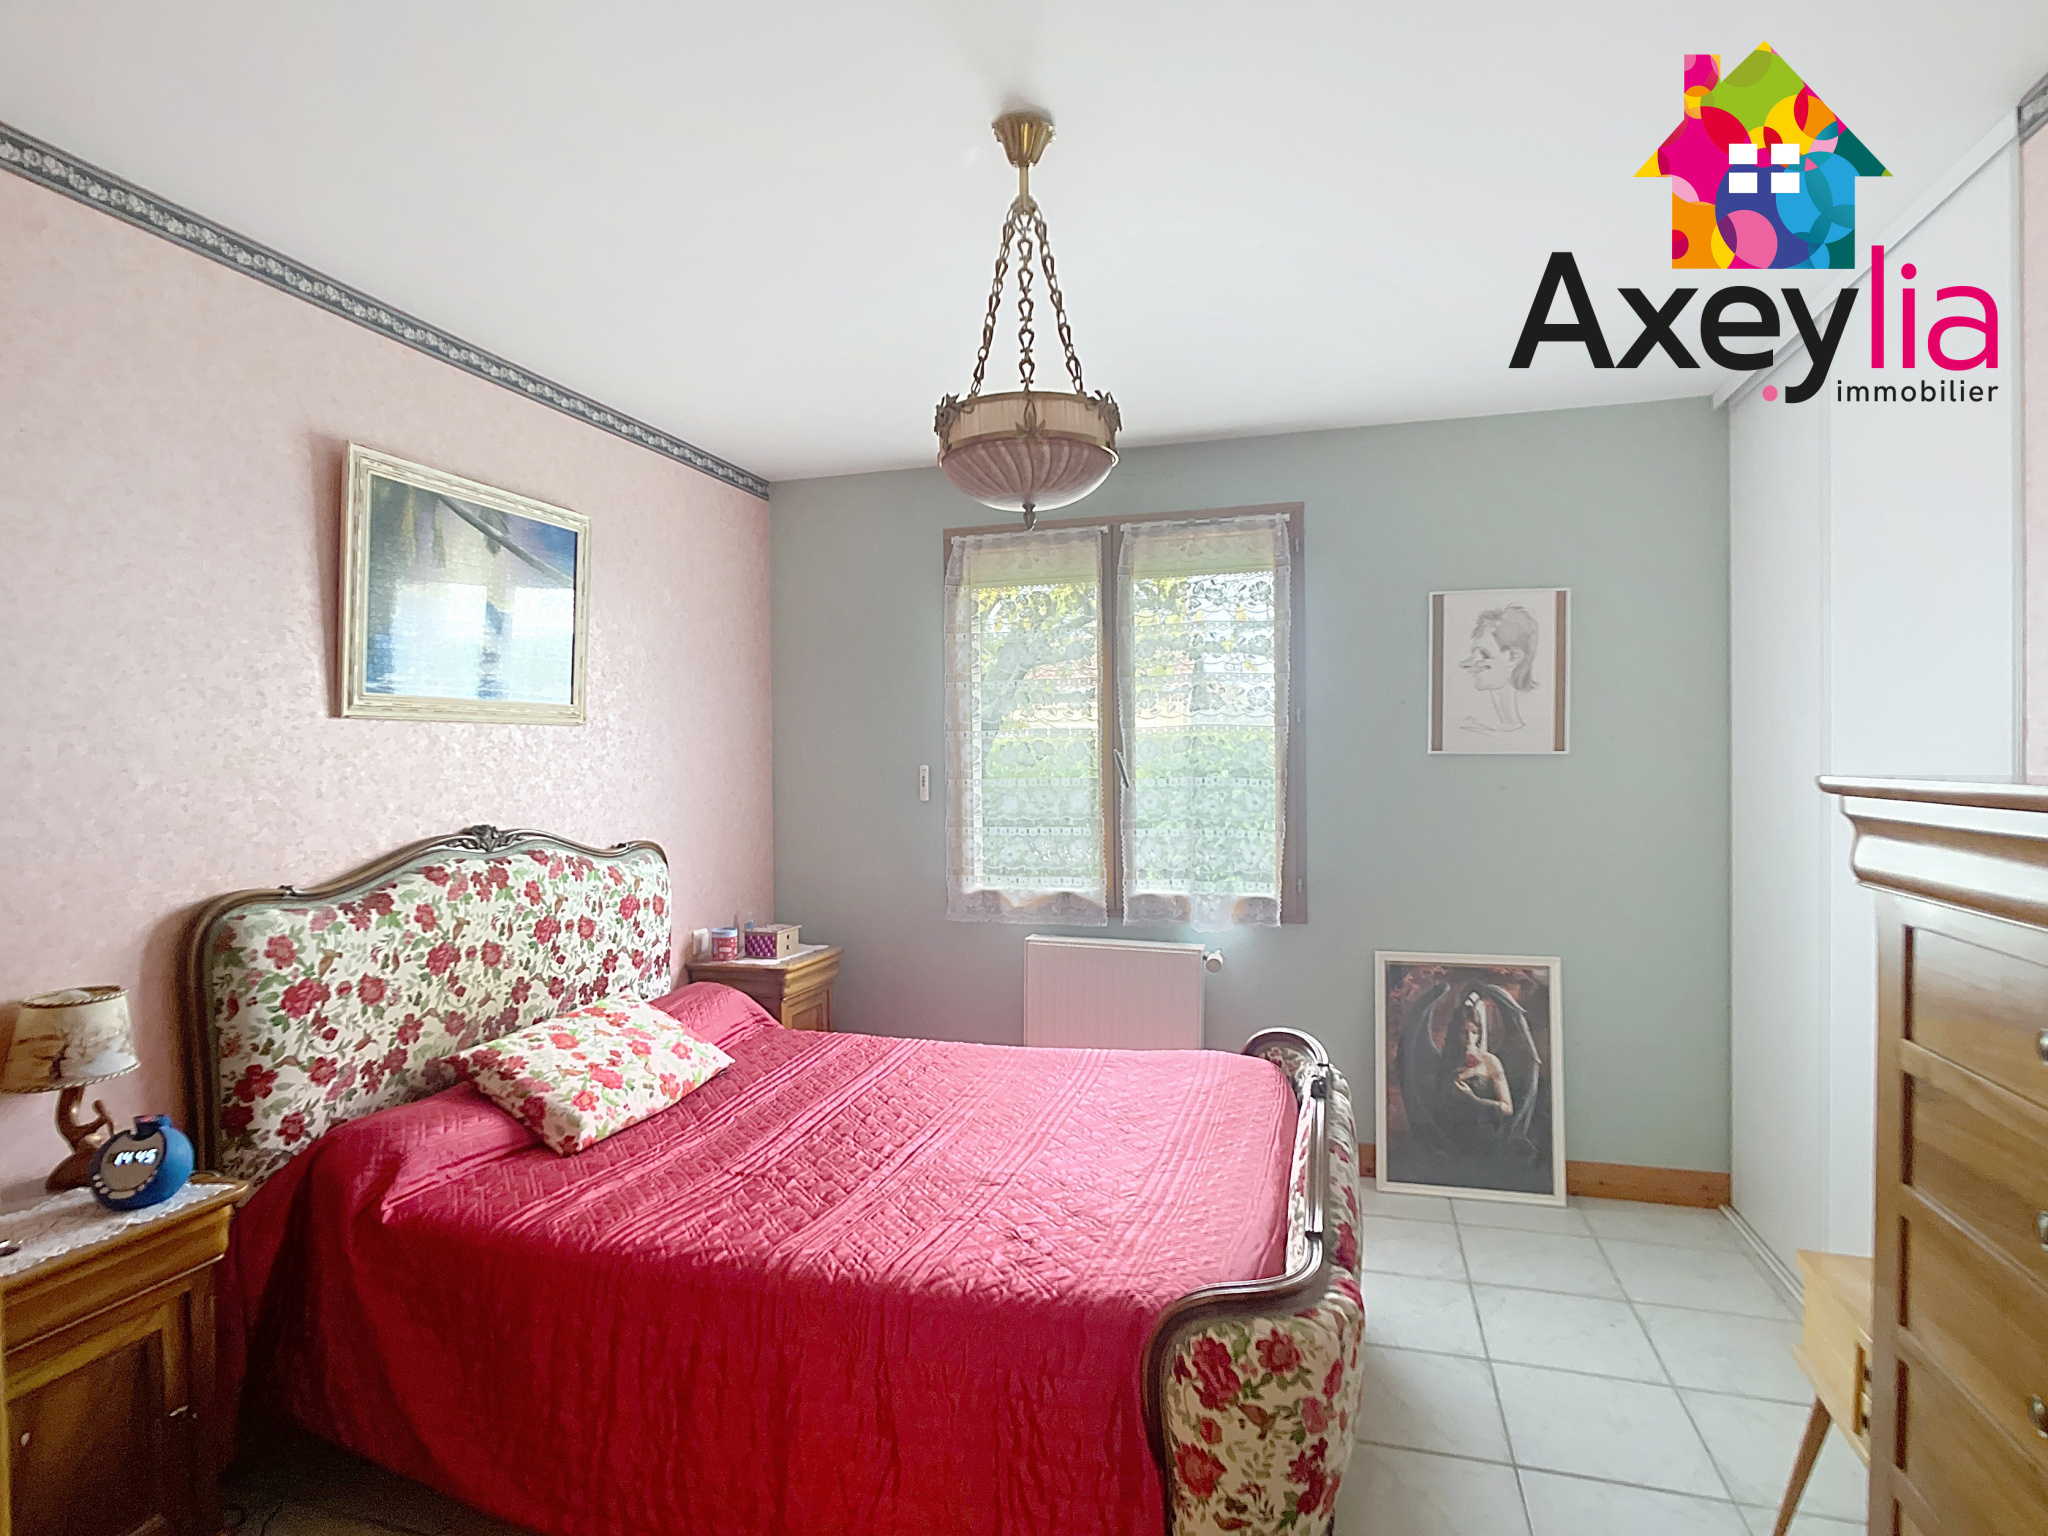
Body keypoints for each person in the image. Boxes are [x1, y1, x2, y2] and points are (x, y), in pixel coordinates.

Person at [1457, 604, 1541, 736]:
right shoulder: (1467, 724)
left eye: (1484, 654)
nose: (1464, 664)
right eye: (1473, 654)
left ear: (1514, 657)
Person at [1449, 994, 1513, 1120]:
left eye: (1474, 1032)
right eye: (1464, 1032)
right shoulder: (1448, 1060)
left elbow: (1507, 1108)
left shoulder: (1490, 1061)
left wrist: (1473, 1099)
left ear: (1479, 1033)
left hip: (1484, 1124)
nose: (1469, 1038)